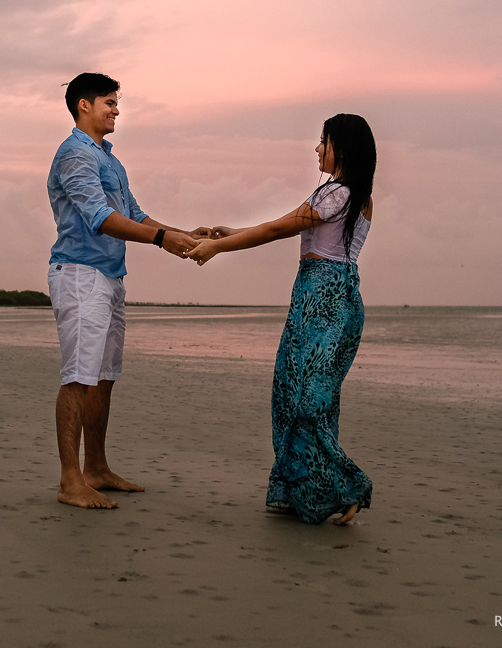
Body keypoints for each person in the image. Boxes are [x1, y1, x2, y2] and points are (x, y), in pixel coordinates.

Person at [187, 113, 376, 525]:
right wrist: (228, 234)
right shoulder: (340, 193)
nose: (316, 148)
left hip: (325, 300)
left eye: (322, 141)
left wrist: (219, 249)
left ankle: (347, 486)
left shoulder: (338, 194)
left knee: (309, 399)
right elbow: (282, 225)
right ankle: (301, 491)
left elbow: (278, 229)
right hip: (318, 298)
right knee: (291, 392)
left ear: (341, 146)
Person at [47, 72, 204, 510]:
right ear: (84, 105)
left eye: (117, 102)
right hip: (79, 274)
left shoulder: (110, 160)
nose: (116, 109)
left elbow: (134, 213)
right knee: (78, 375)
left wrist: (181, 233)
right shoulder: (75, 155)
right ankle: (69, 480)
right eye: (109, 102)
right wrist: (159, 241)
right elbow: (99, 217)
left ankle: (95, 468)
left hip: (110, 276)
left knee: (104, 377)